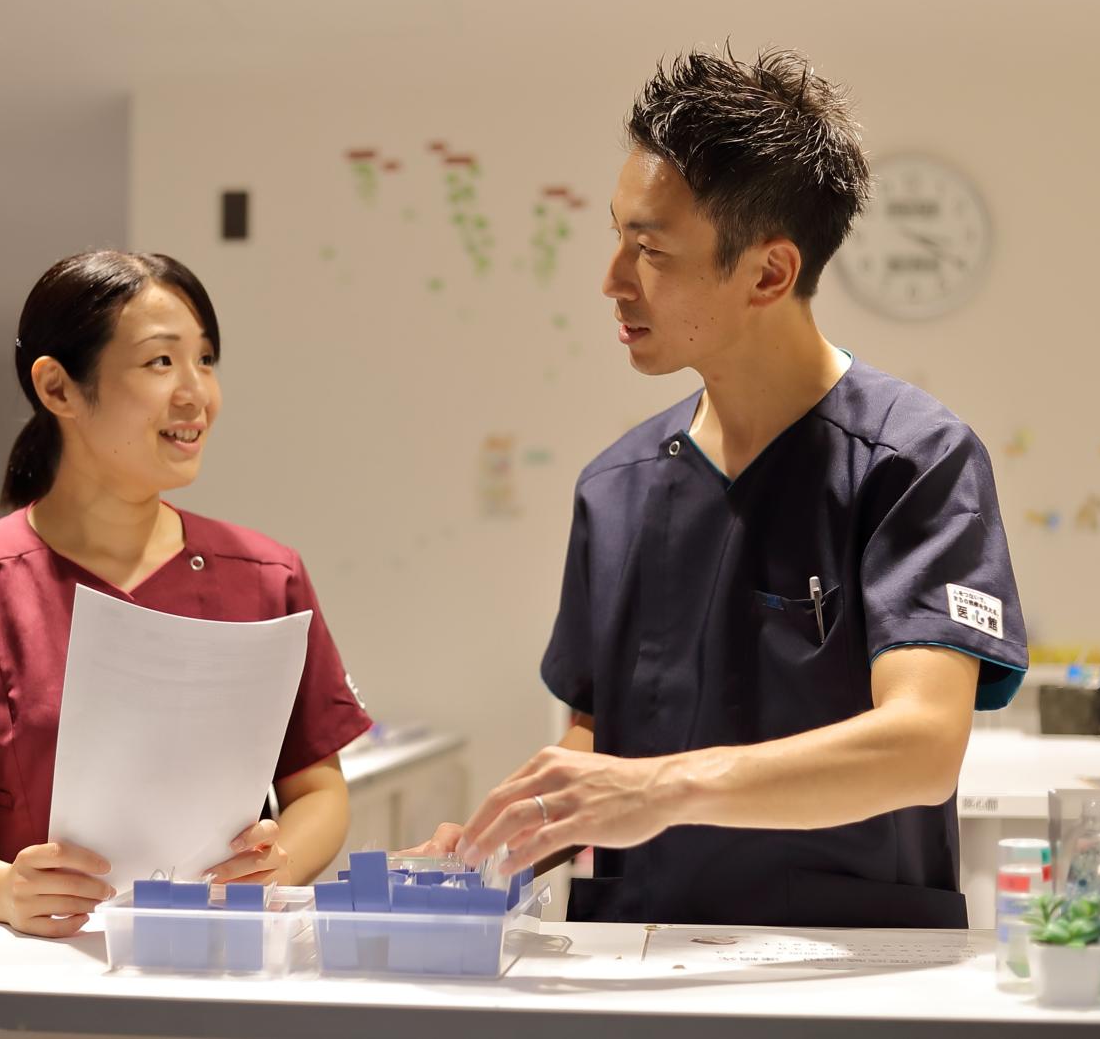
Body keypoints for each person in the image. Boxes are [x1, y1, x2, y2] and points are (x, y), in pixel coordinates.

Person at [416, 47, 1027, 929]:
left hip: (849, 959)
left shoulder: (913, 463)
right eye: (618, 235)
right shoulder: (616, 488)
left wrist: (662, 788)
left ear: (769, 274)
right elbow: (601, 743)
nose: (613, 281)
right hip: (639, 951)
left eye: (650, 249)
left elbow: (920, 748)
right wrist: (505, 836)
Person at [0, 251, 371, 937]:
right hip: (34, 974)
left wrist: (279, 863)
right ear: (58, 389)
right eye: (161, 362)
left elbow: (318, 788)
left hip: (216, 960)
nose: (197, 393)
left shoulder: (268, 575)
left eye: (205, 359)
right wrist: (2, 890)